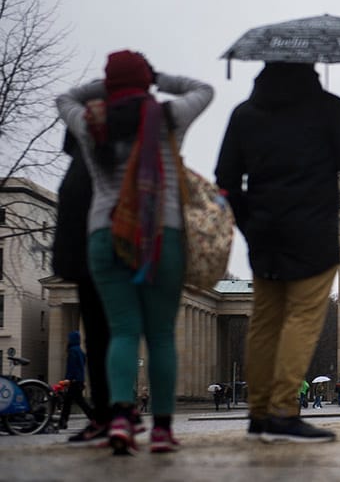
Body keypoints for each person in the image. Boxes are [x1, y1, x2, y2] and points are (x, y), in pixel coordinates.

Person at [56, 50, 214, 455]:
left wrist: (106, 89)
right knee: (160, 335)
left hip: (105, 234)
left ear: (108, 86)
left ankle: (121, 417)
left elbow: (66, 98)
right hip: (163, 233)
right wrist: (156, 80)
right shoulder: (166, 118)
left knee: (122, 332)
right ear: (145, 82)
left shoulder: (92, 124)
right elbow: (203, 89)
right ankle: (162, 428)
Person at [216, 61, 340, 443]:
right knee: (301, 318)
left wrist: (250, 224)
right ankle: (283, 412)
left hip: (264, 231)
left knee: (265, 320)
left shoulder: (245, 113)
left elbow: (226, 178)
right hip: (313, 231)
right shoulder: (329, 107)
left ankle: (259, 413)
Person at [51, 131, 113, 446]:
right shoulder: (107, 166)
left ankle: (105, 416)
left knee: (102, 333)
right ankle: (108, 415)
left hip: (90, 260)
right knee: (110, 334)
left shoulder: (80, 171)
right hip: (104, 258)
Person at [58, 331, 93, 431]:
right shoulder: (80, 351)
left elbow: (71, 366)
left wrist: (68, 378)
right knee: (70, 402)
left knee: (77, 402)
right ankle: (62, 422)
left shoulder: (72, 350)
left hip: (74, 380)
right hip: (79, 380)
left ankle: (93, 418)